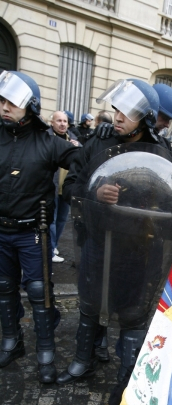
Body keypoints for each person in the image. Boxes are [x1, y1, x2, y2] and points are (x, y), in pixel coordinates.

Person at [57, 78, 171, 385]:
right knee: (91, 300)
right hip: (97, 242)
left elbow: (171, 203)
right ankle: (84, 359)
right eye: (117, 109)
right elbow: (70, 185)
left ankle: (128, 375)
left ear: (145, 120)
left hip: (138, 250)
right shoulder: (98, 142)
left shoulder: (160, 155)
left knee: (132, 310)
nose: (118, 116)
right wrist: (95, 191)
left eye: (128, 112)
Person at [0, 70, 78, 382]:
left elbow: (83, 163)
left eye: (12, 102)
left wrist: (102, 144)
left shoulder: (50, 142)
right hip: (1, 232)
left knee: (39, 292)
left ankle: (46, 351)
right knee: (4, 289)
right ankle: (11, 340)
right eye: (2, 100)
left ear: (30, 106)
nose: (4, 106)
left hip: (33, 233)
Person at [47, 111, 81, 263]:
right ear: (52, 122)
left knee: (61, 220)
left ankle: (53, 245)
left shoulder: (73, 139)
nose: (62, 124)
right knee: (51, 221)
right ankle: (51, 247)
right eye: (58, 120)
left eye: (65, 121)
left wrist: (78, 147)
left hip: (65, 189)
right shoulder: (46, 138)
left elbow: (81, 159)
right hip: (51, 188)